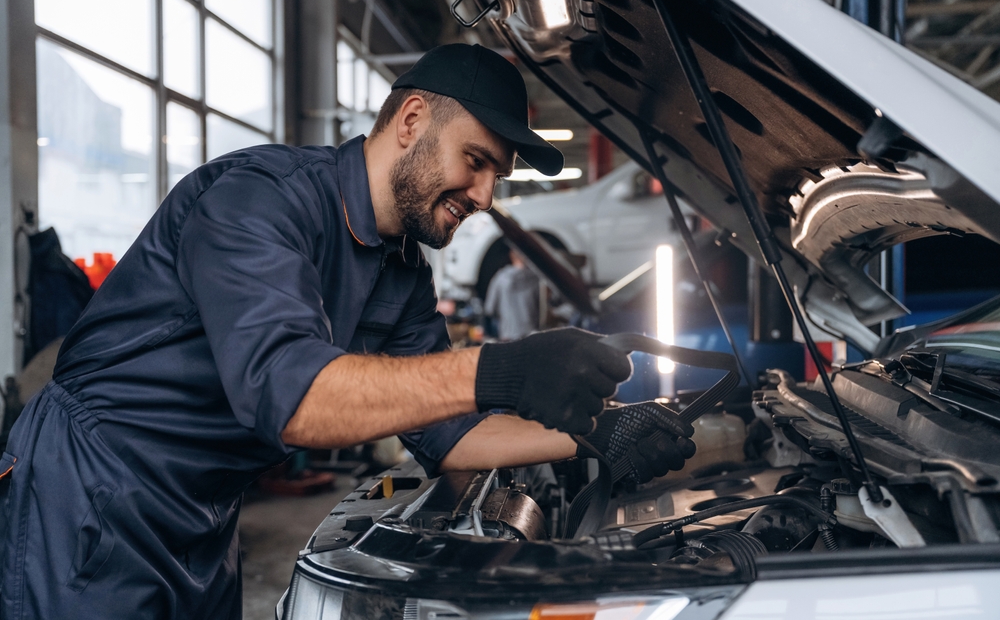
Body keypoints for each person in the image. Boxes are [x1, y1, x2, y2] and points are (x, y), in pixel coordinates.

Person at [0, 44, 695, 619]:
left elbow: (449, 438)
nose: (485, 197)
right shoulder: (258, 202)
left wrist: (594, 433)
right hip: (93, 489)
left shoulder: (401, 271)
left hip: (204, 511)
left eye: (496, 178)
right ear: (412, 118)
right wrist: (502, 367)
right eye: (476, 161)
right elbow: (295, 398)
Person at [484, 246, 540, 341]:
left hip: (508, 336)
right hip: (531, 335)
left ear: (512, 256)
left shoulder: (500, 279)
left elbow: (489, 309)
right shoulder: (536, 279)